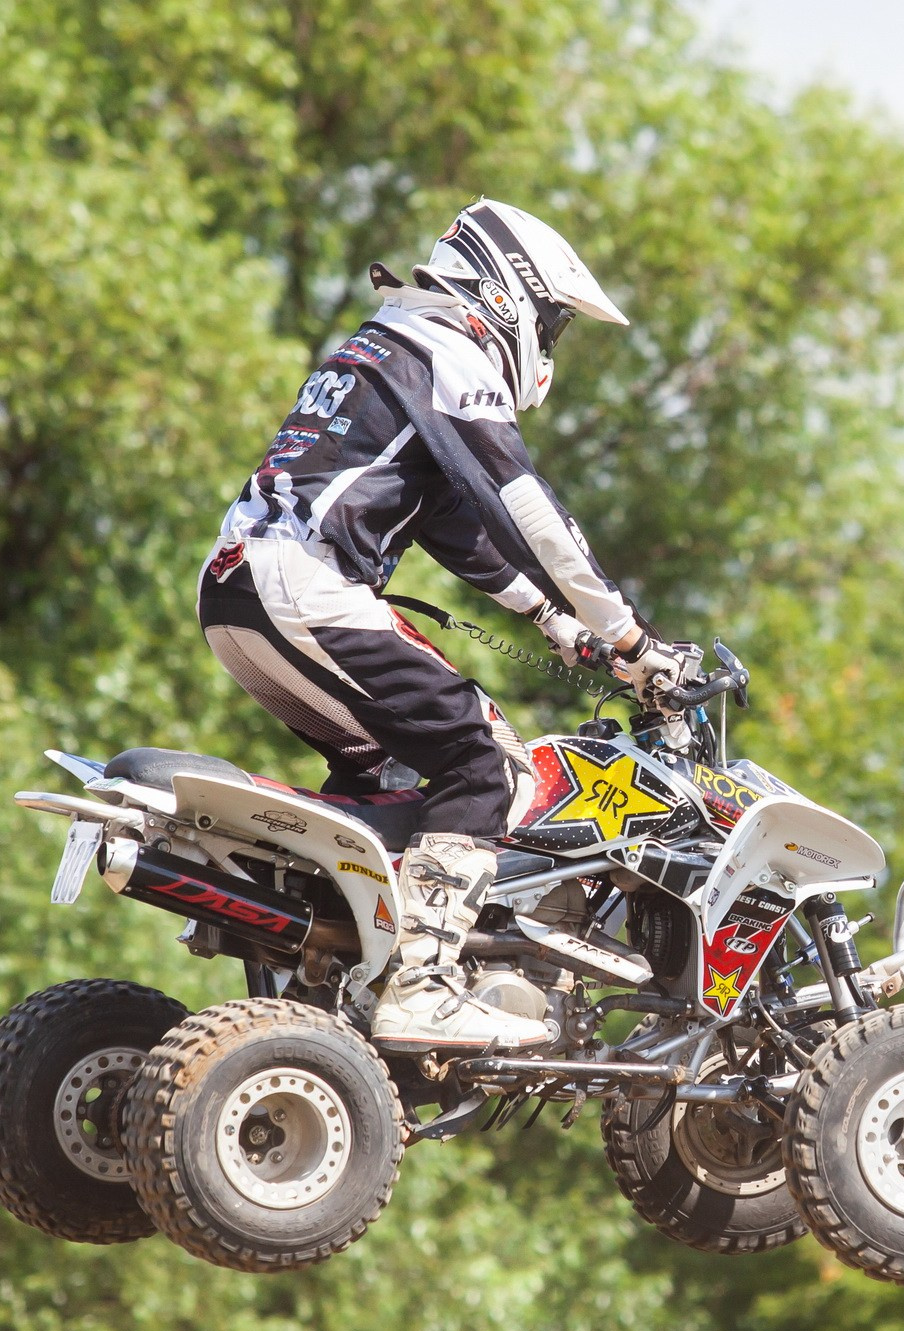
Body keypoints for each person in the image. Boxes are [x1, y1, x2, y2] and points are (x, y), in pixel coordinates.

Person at [199, 199, 694, 1050]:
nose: (550, 345)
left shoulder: (386, 342)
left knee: (383, 773)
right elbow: (522, 507)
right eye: (554, 325)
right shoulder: (448, 350)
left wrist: (552, 620)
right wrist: (629, 638)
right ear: (508, 296)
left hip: (235, 593)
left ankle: (324, 981)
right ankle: (422, 983)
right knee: (485, 763)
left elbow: (452, 525)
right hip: (305, 585)